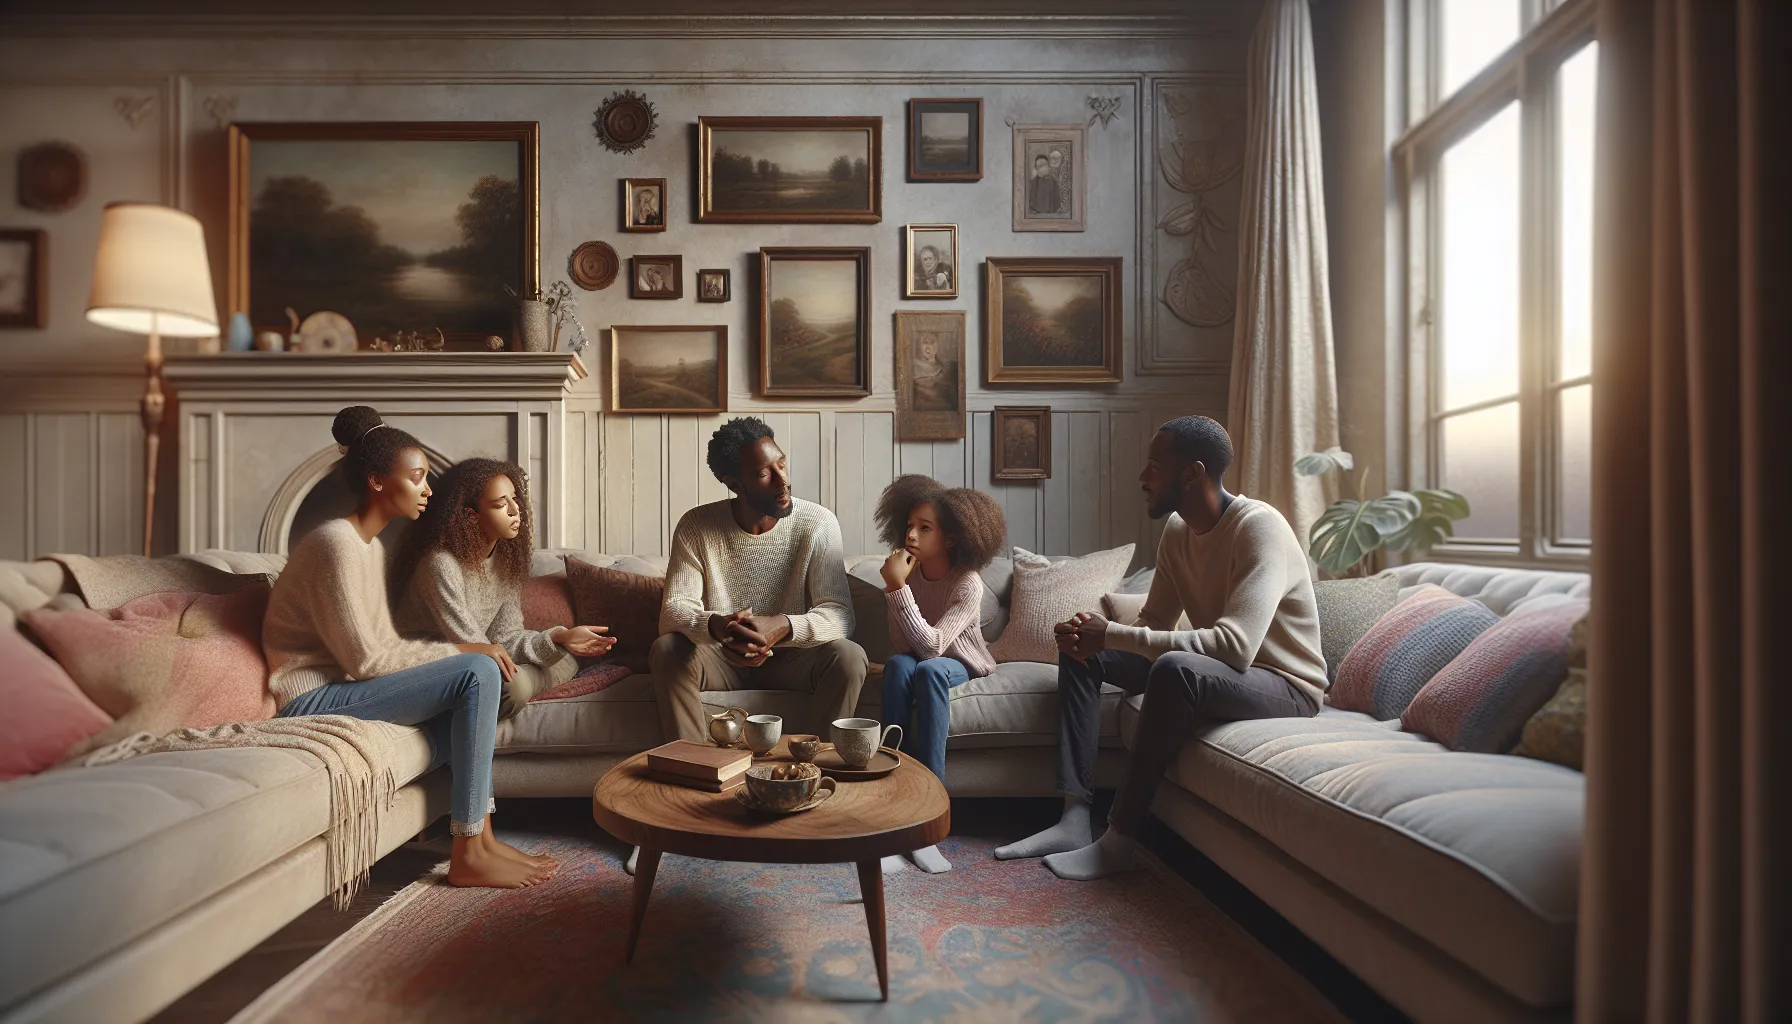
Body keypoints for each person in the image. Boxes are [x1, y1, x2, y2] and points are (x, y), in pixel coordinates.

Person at [994, 416, 1326, 880]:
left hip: (1286, 686)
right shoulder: (1177, 530)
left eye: (1154, 466)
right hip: (1225, 674)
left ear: (1193, 473)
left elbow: (1237, 647)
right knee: (1080, 652)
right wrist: (1092, 636)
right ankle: (1073, 819)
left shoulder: (1260, 528)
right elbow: (1153, 624)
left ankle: (1119, 840)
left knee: (1175, 670)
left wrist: (1110, 632)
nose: (1142, 478)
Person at [263, 407, 557, 889]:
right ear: (378, 481)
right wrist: (463, 650)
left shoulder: (368, 547)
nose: (428, 490)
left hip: (348, 685)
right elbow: (366, 659)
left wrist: (468, 650)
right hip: (310, 698)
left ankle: (481, 841)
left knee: (469, 709)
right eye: (417, 477)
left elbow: (379, 649)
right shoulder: (335, 543)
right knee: (478, 672)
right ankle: (468, 849)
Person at [650, 416, 867, 743]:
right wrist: (720, 627)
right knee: (667, 650)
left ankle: (814, 769)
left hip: (794, 658)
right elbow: (672, 612)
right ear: (734, 483)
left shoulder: (818, 523)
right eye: (765, 473)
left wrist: (781, 626)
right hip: (723, 657)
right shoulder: (696, 526)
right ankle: (694, 766)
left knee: (849, 657)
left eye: (782, 464)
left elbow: (839, 613)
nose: (783, 481)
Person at [391, 457, 616, 718]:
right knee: (513, 686)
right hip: (432, 672)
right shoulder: (440, 565)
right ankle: (531, 681)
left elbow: (505, 638)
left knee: (564, 656)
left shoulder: (504, 561)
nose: (514, 510)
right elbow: (475, 647)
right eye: (500, 504)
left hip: (479, 660)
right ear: (471, 516)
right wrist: (535, 656)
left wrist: (560, 637)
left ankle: (535, 677)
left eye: (514, 498)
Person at [874, 475, 1005, 874]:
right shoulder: (910, 575)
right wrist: (898, 588)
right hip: (921, 657)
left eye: (924, 528)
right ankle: (890, 798)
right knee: (898, 666)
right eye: (909, 525)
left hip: (960, 662)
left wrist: (896, 588)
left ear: (950, 538)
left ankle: (929, 823)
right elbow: (902, 644)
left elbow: (933, 647)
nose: (911, 534)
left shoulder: (968, 583)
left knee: (929, 670)